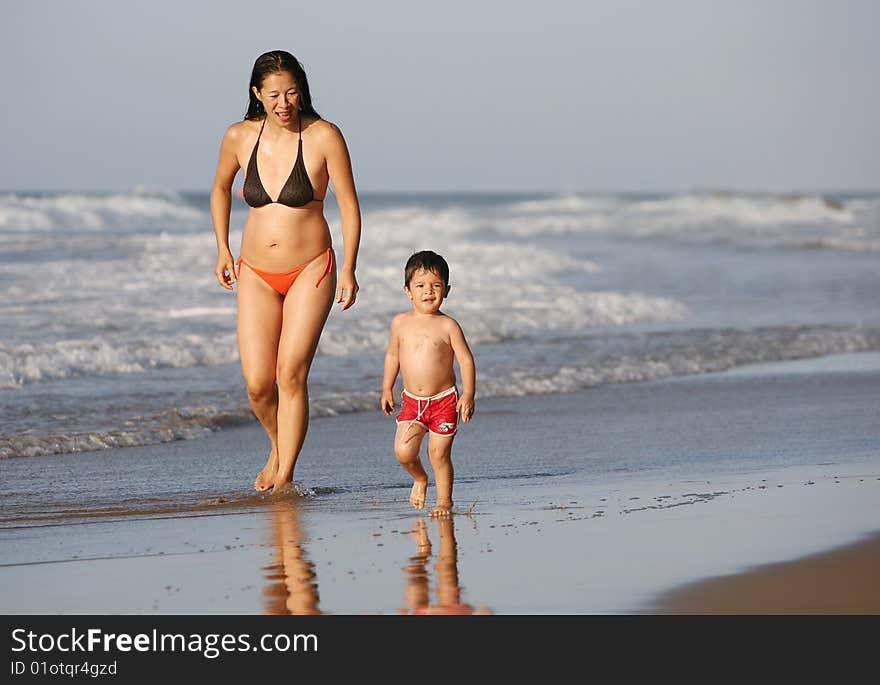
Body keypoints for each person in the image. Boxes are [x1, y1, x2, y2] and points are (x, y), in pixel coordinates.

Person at [210, 50, 361, 492]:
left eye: (291, 92)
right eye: (274, 94)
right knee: (259, 385)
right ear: (256, 93)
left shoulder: (324, 136)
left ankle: (286, 478)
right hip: (255, 271)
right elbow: (220, 188)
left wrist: (349, 268)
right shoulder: (239, 136)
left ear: (303, 91)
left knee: (290, 372)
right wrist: (221, 247)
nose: (283, 103)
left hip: (312, 267)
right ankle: (278, 447)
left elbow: (349, 207)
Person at [381, 251, 475, 517]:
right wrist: (387, 387)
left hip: (444, 400)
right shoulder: (400, 323)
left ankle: (444, 501)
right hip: (412, 402)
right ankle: (420, 478)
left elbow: (466, 360)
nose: (428, 291)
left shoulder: (448, 326)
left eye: (436, 285)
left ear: (447, 290)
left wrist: (468, 393)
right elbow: (392, 355)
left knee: (439, 454)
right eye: (420, 286)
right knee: (403, 452)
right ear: (408, 290)